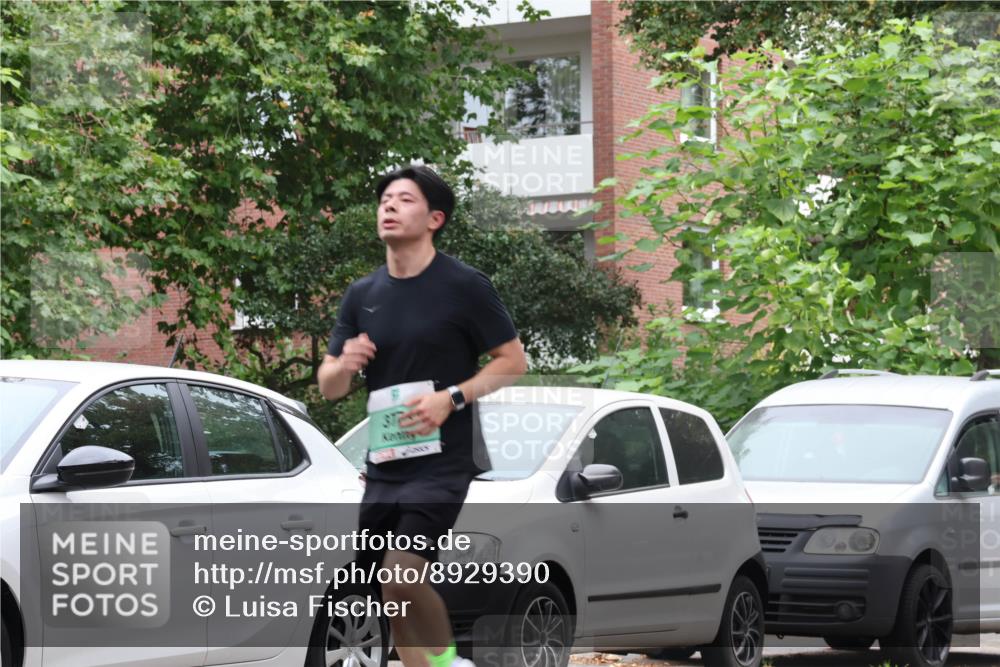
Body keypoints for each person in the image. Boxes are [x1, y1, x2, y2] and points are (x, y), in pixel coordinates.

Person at [318, 164, 528, 667]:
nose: (388, 205)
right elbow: (330, 386)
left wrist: (450, 398)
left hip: (443, 461)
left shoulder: (463, 285)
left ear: (435, 218)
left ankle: (449, 661)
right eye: (385, 198)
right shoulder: (363, 294)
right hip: (386, 463)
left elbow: (512, 361)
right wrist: (344, 364)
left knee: (403, 573)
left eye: (404, 199)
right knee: (391, 594)